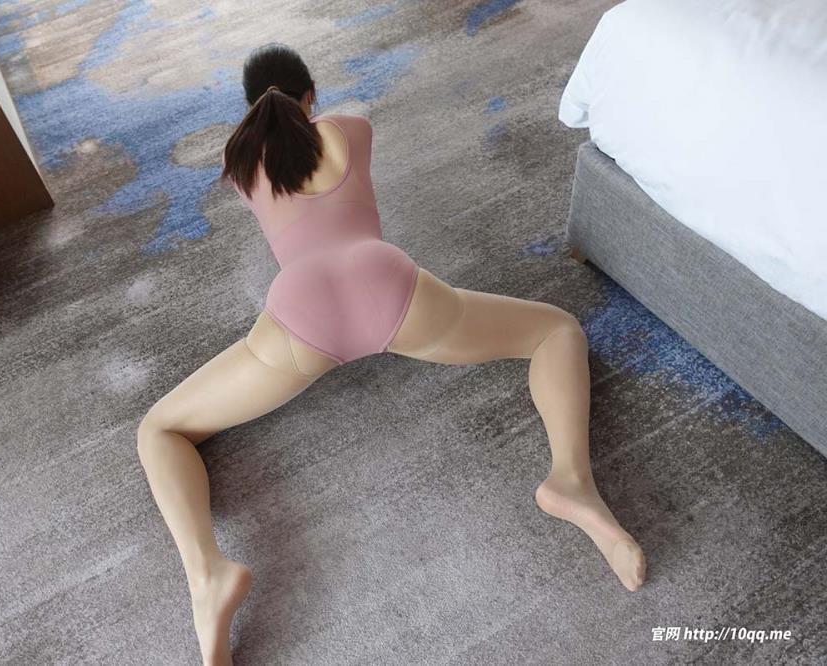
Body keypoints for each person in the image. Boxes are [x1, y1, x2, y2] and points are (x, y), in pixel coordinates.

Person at [136, 42, 646, 666]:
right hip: (391, 290)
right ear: (311, 96)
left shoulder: (240, 161)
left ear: (248, 110)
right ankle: (571, 479)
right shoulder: (350, 129)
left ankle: (206, 573)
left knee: (160, 429)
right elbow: (330, 143)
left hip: (299, 317)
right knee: (555, 330)